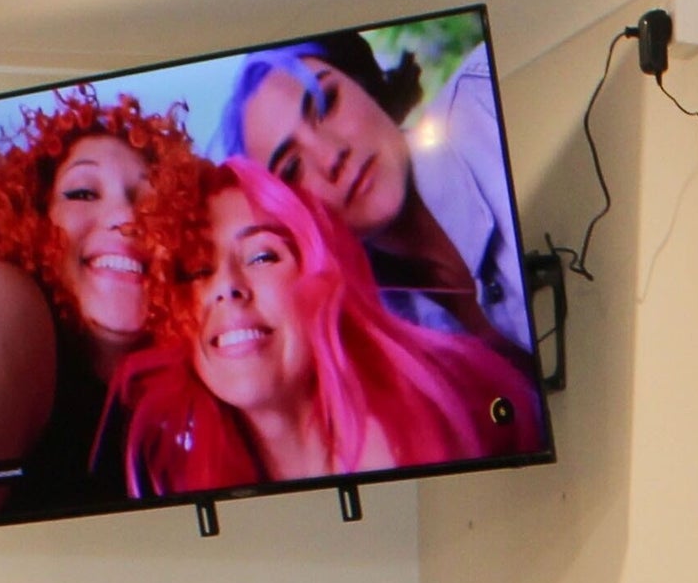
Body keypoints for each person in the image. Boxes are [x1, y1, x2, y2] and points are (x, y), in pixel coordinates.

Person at [114, 158, 546, 494]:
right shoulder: (190, 494)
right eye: (196, 269)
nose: (227, 286)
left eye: (262, 256)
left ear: (321, 275)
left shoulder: (460, 421)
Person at [0, 93, 205, 521]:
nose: (125, 216)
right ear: (32, 220)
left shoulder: (208, 380)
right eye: (83, 192)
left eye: (150, 201)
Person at [221, 30, 532, 355]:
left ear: (364, 85)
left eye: (328, 103)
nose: (331, 156)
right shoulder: (365, 336)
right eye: (291, 168)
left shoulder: (491, 98)